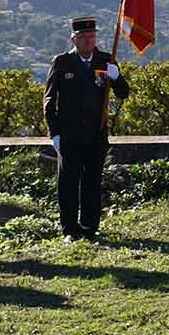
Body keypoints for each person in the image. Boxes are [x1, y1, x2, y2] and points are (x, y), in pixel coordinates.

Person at [43, 16, 129, 240]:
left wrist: (117, 76)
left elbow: (123, 93)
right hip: (69, 135)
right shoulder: (62, 62)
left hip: (95, 133)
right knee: (68, 184)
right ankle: (70, 229)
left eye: (92, 36)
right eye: (83, 37)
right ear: (73, 39)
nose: (88, 41)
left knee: (92, 182)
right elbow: (49, 101)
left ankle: (90, 227)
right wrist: (55, 134)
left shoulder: (105, 60)